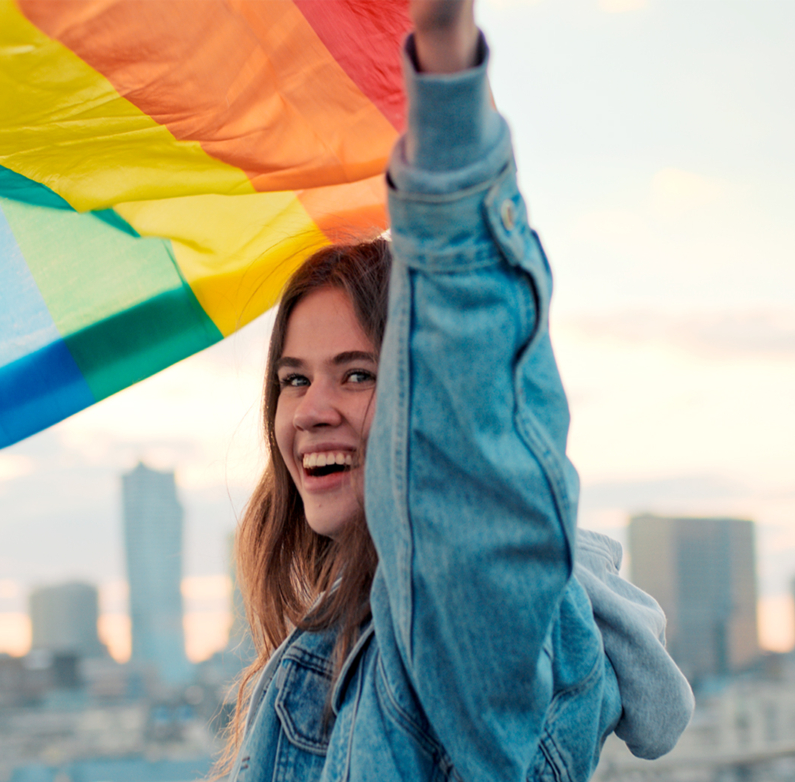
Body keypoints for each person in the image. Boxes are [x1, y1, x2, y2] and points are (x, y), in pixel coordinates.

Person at [218, 2, 694, 780]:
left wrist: (444, 77)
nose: (311, 410)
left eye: (357, 374)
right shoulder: (328, 647)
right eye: (293, 380)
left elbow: (474, 440)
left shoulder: (464, 626)